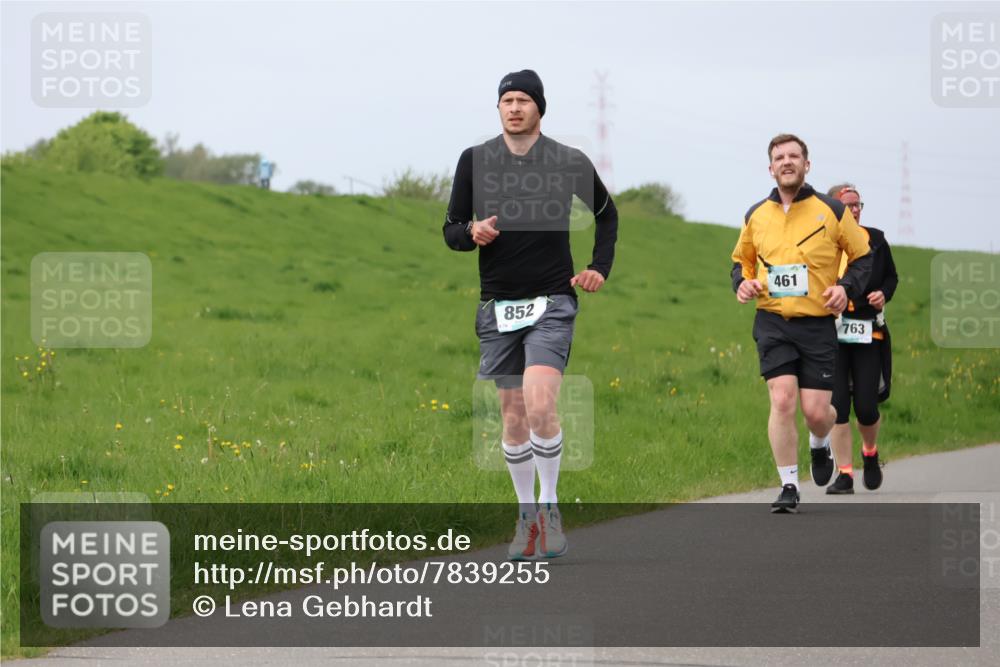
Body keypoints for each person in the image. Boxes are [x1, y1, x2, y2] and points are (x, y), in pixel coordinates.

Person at [443, 70, 618, 557]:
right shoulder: (475, 160)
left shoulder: (566, 160)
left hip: (552, 302)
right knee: (514, 418)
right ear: (499, 108)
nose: (514, 107)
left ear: (540, 108)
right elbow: (451, 229)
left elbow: (606, 213)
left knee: (541, 404)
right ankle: (526, 518)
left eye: (523, 100)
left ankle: (551, 506)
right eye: (507, 100)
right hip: (498, 306)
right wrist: (471, 232)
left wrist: (598, 267)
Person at [730, 134, 872, 513]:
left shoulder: (831, 210)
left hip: (817, 323)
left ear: (806, 165)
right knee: (782, 399)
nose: (787, 162)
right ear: (771, 168)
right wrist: (742, 283)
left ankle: (820, 442)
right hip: (772, 321)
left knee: (816, 413)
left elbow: (862, 257)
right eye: (779, 157)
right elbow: (741, 261)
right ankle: (789, 485)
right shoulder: (756, 214)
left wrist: (845, 287)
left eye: (794, 156)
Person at [824, 184, 897, 494]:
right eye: (847, 205)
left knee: (866, 408)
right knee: (838, 408)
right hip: (832, 334)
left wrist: (883, 294)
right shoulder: (823, 242)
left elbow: (891, 277)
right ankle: (844, 474)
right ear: (833, 209)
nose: (854, 210)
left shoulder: (876, 240)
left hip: (868, 331)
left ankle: (869, 453)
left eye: (858, 205)